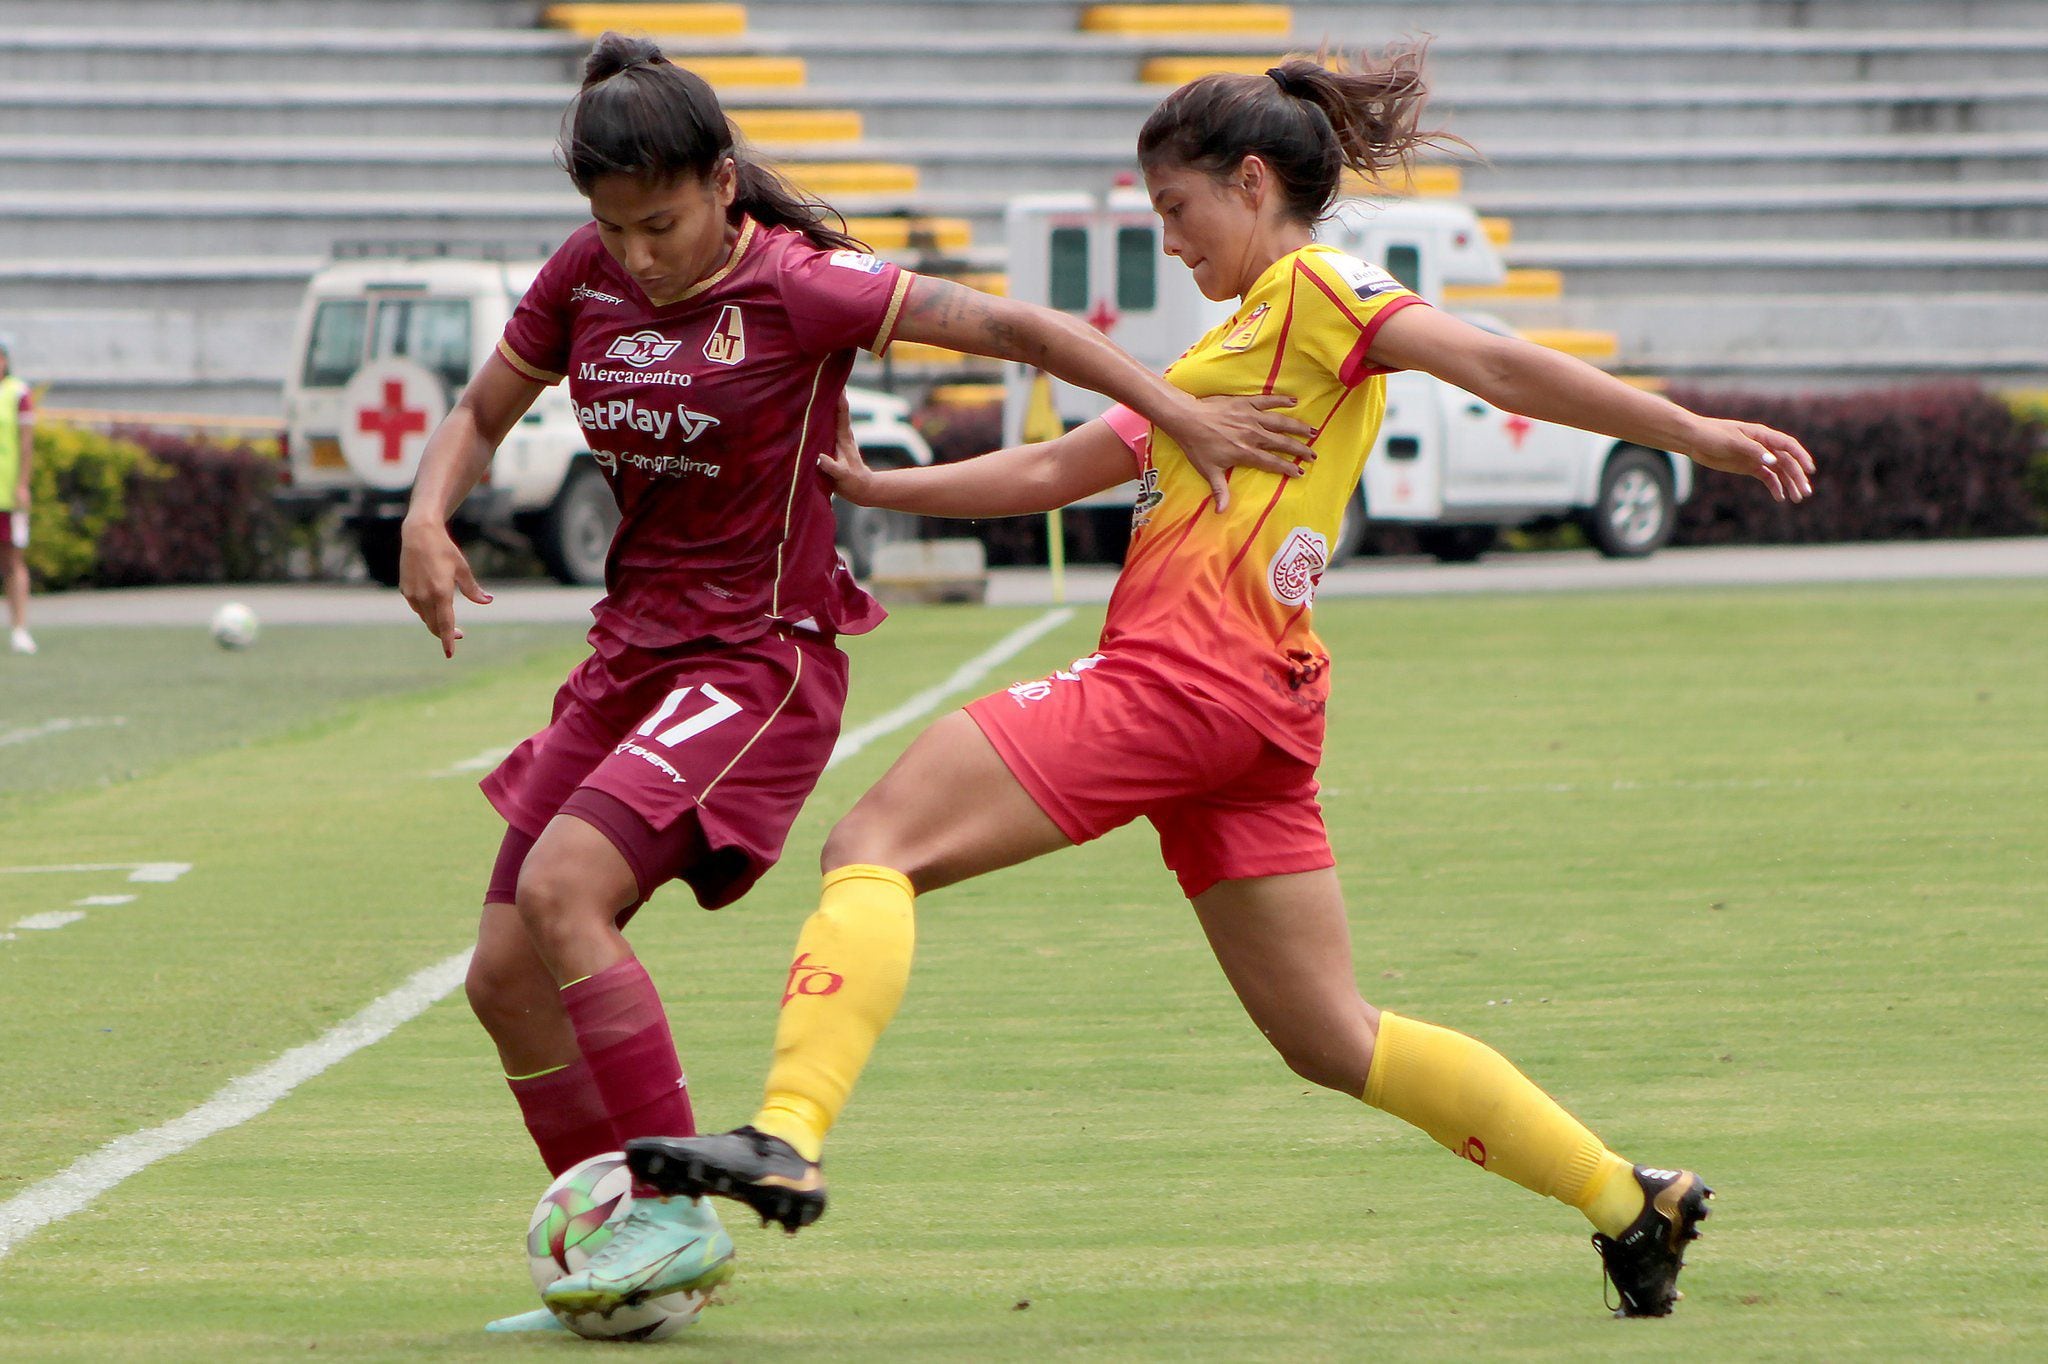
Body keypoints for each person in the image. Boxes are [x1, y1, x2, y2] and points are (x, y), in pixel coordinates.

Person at [606, 50, 1816, 1321]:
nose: (1168, 240)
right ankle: (1630, 1201)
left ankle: (788, 1126)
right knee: (1330, 1037)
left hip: (1180, 681)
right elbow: (1058, 467)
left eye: (1175, 211)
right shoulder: (1234, 346)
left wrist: (1686, 430)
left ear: (1249, 182)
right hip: (1257, 712)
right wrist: (880, 488)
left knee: (872, 841)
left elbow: (1489, 362)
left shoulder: (1314, 289)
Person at [396, 33, 1314, 1334]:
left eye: (660, 223)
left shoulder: (804, 285)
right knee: (502, 976)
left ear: (724, 184)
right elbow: (481, 414)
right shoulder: (585, 275)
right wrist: (429, 514)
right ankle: (614, 1239)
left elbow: (1014, 326)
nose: (637, 255)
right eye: (613, 227)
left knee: (563, 892)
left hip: (755, 661)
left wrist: (1175, 411)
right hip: (627, 659)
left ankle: (676, 1210)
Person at [0, 335, 35, 656]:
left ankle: (19, 629)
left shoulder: (17, 393)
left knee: (13, 560)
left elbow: (26, 444)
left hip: (7, 495)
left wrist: (23, 484)